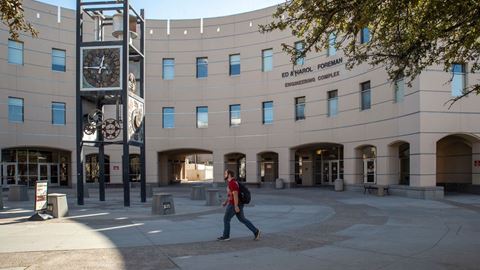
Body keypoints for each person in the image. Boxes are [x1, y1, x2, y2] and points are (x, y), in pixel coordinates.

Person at [217, 169, 260, 241]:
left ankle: (226, 236)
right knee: (242, 219)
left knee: (226, 219)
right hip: (237, 204)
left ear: (229, 175)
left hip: (234, 204)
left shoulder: (232, 183)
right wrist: (226, 202)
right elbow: (231, 195)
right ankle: (256, 231)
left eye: (225, 174)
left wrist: (236, 206)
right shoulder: (232, 182)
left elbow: (235, 194)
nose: (224, 175)